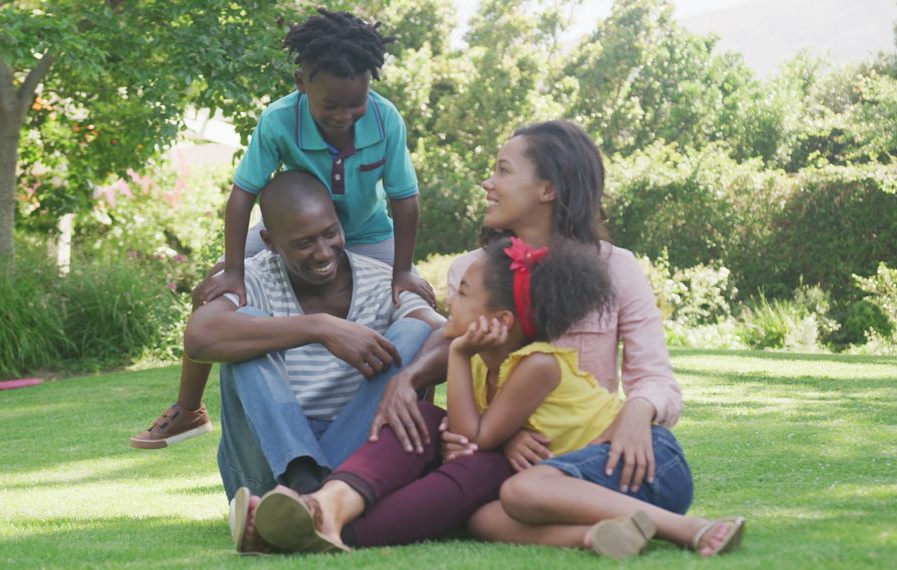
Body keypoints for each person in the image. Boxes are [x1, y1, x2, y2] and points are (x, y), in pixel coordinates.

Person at [129, 8, 435, 449]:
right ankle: (189, 408)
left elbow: (405, 200)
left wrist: (403, 270)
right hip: (296, 229)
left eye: (356, 103)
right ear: (301, 83)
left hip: (368, 233)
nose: (344, 115)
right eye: (330, 104)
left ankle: (413, 424)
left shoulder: (386, 120)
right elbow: (242, 197)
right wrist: (234, 270)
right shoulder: (278, 120)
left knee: (416, 304)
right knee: (213, 291)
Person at [370, 120, 683, 501]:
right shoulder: (471, 273)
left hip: (590, 451)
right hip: (502, 458)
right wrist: (506, 435)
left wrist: (637, 411)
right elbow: (470, 385)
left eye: (503, 171)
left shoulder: (618, 269)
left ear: (548, 189)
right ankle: (335, 502)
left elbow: (657, 379)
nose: (488, 183)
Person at [244, 236, 617, 553]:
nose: (450, 299)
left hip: (555, 480)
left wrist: (459, 356)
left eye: (463, 293)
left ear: (501, 320)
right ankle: (324, 504)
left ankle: (315, 534)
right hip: (507, 469)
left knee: (481, 461)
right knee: (423, 419)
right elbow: (460, 431)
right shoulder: (477, 359)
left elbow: (473, 438)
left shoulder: (535, 364)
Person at [178, 171, 443, 513]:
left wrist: (409, 377)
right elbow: (200, 337)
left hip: (355, 458)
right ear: (271, 242)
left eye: (330, 233)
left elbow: (447, 334)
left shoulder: (382, 283)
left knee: (415, 331)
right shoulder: (251, 278)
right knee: (246, 326)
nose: (322, 253)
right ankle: (301, 477)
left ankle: (313, 497)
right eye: (304, 243)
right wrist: (321, 328)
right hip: (265, 472)